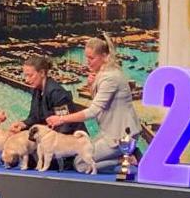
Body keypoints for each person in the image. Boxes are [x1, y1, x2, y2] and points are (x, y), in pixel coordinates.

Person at [46, 35, 140, 174]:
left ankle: (124, 160)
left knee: (81, 164)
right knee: (82, 156)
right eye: (87, 57)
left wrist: (61, 119)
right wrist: (91, 86)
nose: (87, 62)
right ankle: (123, 158)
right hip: (110, 133)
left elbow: (93, 111)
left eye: (91, 58)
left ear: (105, 56)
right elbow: (101, 102)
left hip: (121, 136)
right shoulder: (104, 73)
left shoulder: (110, 77)